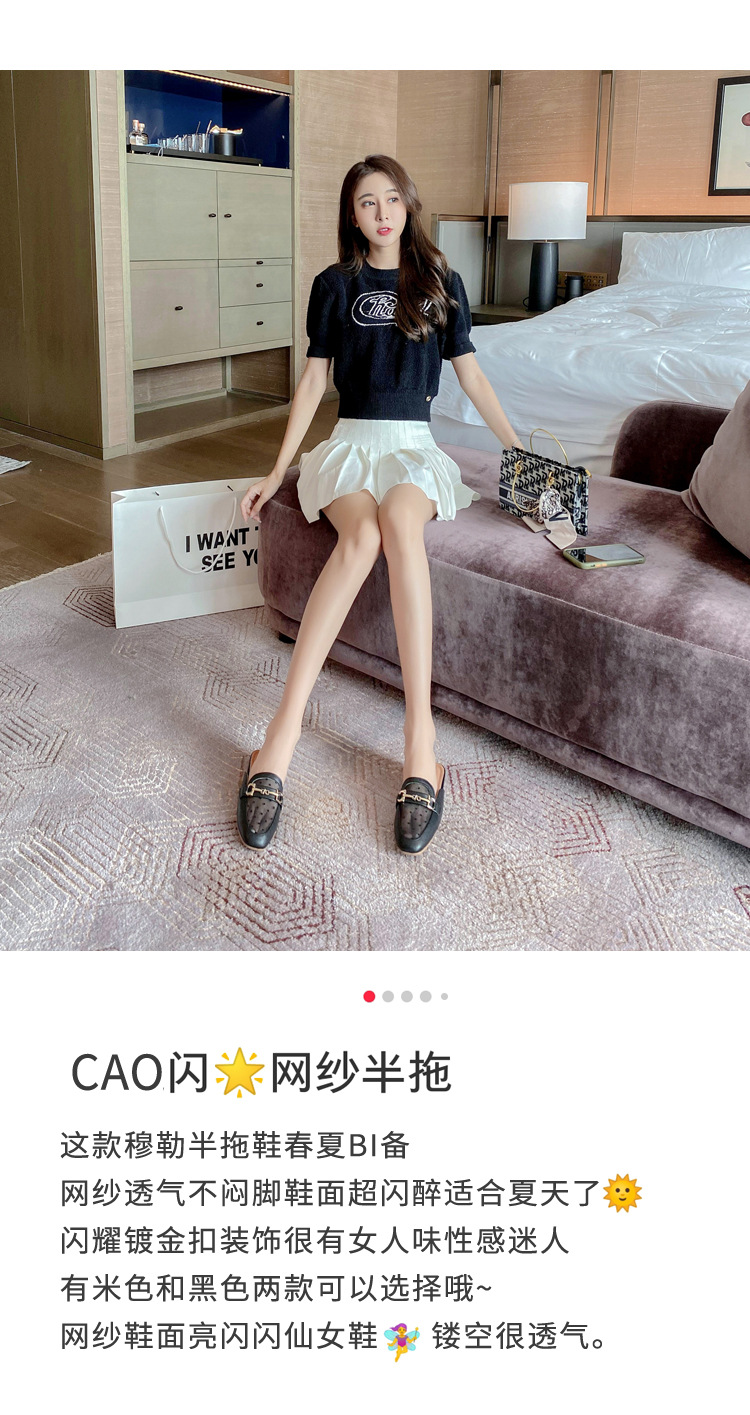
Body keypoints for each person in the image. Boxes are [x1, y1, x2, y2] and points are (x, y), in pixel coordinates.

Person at [237, 153, 523, 855]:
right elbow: (313, 383)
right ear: (353, 215)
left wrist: (521, 452)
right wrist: (276, 471)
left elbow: (473, 375)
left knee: (398, 522)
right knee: (360, 538)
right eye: (368, 202)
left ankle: (421, 742)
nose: (383, 213)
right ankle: (280, 736)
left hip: (414, 447)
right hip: (351, 444)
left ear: (408, 203)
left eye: (392, 198)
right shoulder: (333, 285)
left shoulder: (440, 280)